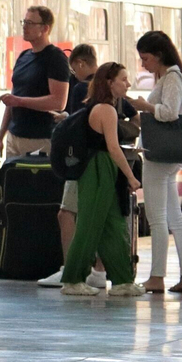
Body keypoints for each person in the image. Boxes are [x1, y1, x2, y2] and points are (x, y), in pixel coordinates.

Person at [39, 43, 123, 290]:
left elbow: (83, 127)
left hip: (82, 163)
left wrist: (66, 120)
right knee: (101, 218)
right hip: (102, 164)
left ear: (80, 64)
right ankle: (98, 271)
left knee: (67, 214)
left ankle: (70, 272)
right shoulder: (112, 92)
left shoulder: (82, 90)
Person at [62, 63, 144, 298]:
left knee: (113, 225)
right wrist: (131, 176)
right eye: (124, 79)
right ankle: (73, 279)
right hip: (98, 169)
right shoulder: (105, 110)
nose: (128, 84)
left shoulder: (99, 107)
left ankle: (122, 280)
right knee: (89, 224)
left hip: (101, 168)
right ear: (110, 83)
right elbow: (113, 148)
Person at [128, 30, 182, 295]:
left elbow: (168, 113)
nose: (144, 64)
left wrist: (144, 105)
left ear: (158, 56)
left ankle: (157, 277)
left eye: (145, 58)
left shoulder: (171, 77)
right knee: (175, 219)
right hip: (168, 157)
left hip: (159, 156)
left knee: (157, 219)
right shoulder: (174, 76)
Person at [0, 5, 70, 160]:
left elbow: (58, 102)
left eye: (30, 23)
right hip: (14, 136)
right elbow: (12, 100)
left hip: (40, 138)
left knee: (34, 183)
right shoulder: (23, 56)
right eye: (24, 22)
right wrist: (0, 137)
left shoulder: (55, 58)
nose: (25, 27)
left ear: (45, 28)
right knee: (11, 182)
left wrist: (19, 101)